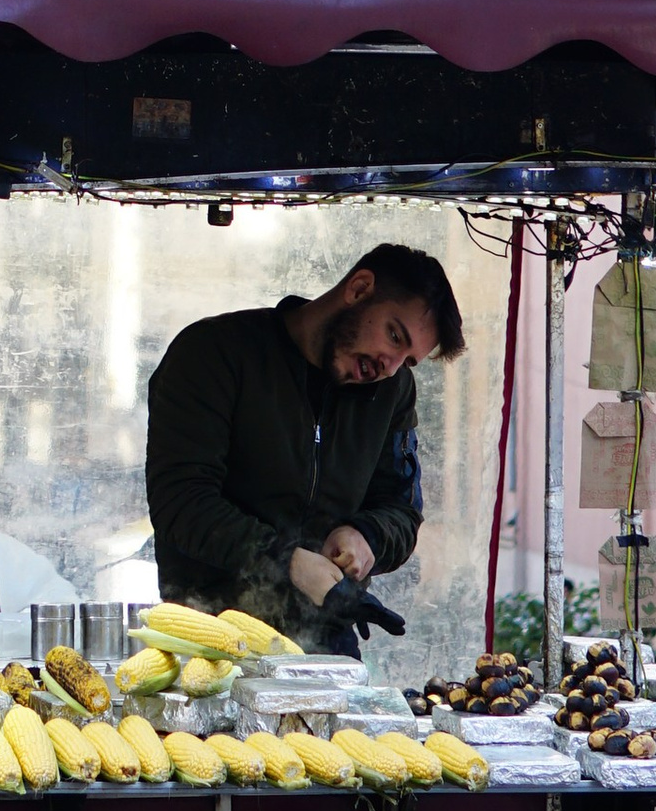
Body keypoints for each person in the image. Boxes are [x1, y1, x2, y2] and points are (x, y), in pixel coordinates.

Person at [144, 246, 465, 649]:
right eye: (394, 335)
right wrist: (287, 561)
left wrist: (366, 536)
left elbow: (401, 509)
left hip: (326, 640)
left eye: (408, 360)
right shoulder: (214, 352)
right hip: (212, 636)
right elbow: (181, 501)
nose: (391, 366)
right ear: (359, 289)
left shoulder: (392, 392)